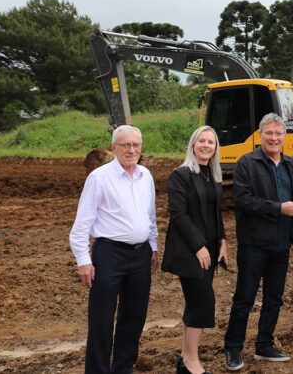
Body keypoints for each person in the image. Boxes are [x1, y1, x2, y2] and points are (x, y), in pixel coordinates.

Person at [69, 124, 158, 374]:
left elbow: (150, 217)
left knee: (134, 316)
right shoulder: (99, 178)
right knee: (102, 319)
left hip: (141, 254)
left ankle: (123, 368)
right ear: (113, 148)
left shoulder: (145, 176)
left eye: (136, 145)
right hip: (109, 254)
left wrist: (153, 247)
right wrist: (83, 260)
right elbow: (82, 224)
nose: (131, 150)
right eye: (126, 145)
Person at [224, 113, 293, 370]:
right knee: (245, 297)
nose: (274, 138)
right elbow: (243, 200)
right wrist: (279, 208)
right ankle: (233, 348)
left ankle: (264, 344)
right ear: (261, 135)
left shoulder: (291, 164)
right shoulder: (246, 163)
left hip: (282, 242)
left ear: (285, 137)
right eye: (269, 133)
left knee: (274, 297)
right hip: (254, 243)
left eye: (278, 134)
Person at [162, 125, 227, 374]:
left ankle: (184, 359)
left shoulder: (211, 174)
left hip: (210, 250)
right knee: (202, 302)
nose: (206, 145)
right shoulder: (181, 175)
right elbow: (178, 215)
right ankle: (191, 362)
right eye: (202, 141)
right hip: (190, 252)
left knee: (196, 302)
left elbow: (215, 211)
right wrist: (198, 246)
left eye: (211, 142)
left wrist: (222, 239)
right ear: (193, 144)